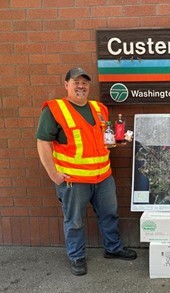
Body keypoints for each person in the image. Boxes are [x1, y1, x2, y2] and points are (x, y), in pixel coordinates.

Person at [35, 67, 137, 276]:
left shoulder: (100, 109)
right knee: (75, 220)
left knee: (109, 214)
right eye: (76, 82)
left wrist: (113, 142)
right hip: (74, 179)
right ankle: (77, 256)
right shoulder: (55, 109)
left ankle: (113, 248)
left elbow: (99, 139)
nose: (81, 86)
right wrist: (53, 175)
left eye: (84, 82)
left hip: (103, 176)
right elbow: (43, 143)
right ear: (66, 85)